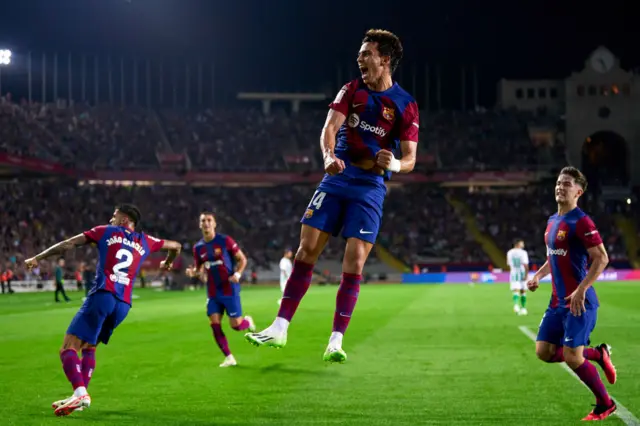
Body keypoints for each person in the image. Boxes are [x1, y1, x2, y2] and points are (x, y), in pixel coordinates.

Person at [246, 28, 419, 363]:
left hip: (370, 187)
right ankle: (280, 327)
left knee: (353, 262)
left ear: (385, 59)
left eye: (366, 53)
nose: (360, 59)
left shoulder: (406, 105)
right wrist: (327, 156)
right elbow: (330, 127)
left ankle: (336, 341)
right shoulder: (351, 89)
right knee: (306, 250)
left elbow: (412, 158)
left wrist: (396, 163)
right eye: (359, 54)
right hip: (337, 179)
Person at [24, 204, 182, 416]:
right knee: (90, 346)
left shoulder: (105, 232)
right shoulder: (147, 241)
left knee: (68, 347)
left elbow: (69, 244)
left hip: (103, 295)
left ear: (125, 220)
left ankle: (80, 393)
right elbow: (177, 246)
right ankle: (79, 395)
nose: (111, 220)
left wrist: (38, 257)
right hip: (123, 305)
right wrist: (167, 262)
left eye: (114, 216)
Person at [526, 167, 617, 421]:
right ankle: (597, 354)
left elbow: (601, 258)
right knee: (544, 351)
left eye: (566, 184)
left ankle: (605, 404)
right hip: (557, 302)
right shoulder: (552, 222)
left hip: (580, 303)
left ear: (578, 191)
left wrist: (582, 289)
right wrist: (537, 276)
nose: (559, 187)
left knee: (571, 356)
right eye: (558, 182)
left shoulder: (582, 221)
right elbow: (552, 257)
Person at [186, 211, 255, 367]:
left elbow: (242, 259)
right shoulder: (198, 248)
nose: (206, 223)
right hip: (212, 291)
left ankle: (247, 322)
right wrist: (193, 272)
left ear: (214, 224)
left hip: (229, 289)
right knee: (214, 323)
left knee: (236, 326)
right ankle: (229, 357)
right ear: (199, 224)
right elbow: (199, 268)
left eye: (209, 220)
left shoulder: (225, 241)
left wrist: (237, 273)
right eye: (203, 220)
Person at [506, 239, 529, 315]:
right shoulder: (523, 253)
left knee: (516, 290)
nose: (523, 244)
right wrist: (526, 275)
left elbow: (509, 264)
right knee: (523, 291)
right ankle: (523, 308)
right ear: (518, 244)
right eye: (522, 243)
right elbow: (525, 265)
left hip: (514, 273)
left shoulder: (509, 252)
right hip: (522, 272)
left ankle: (516, 305)